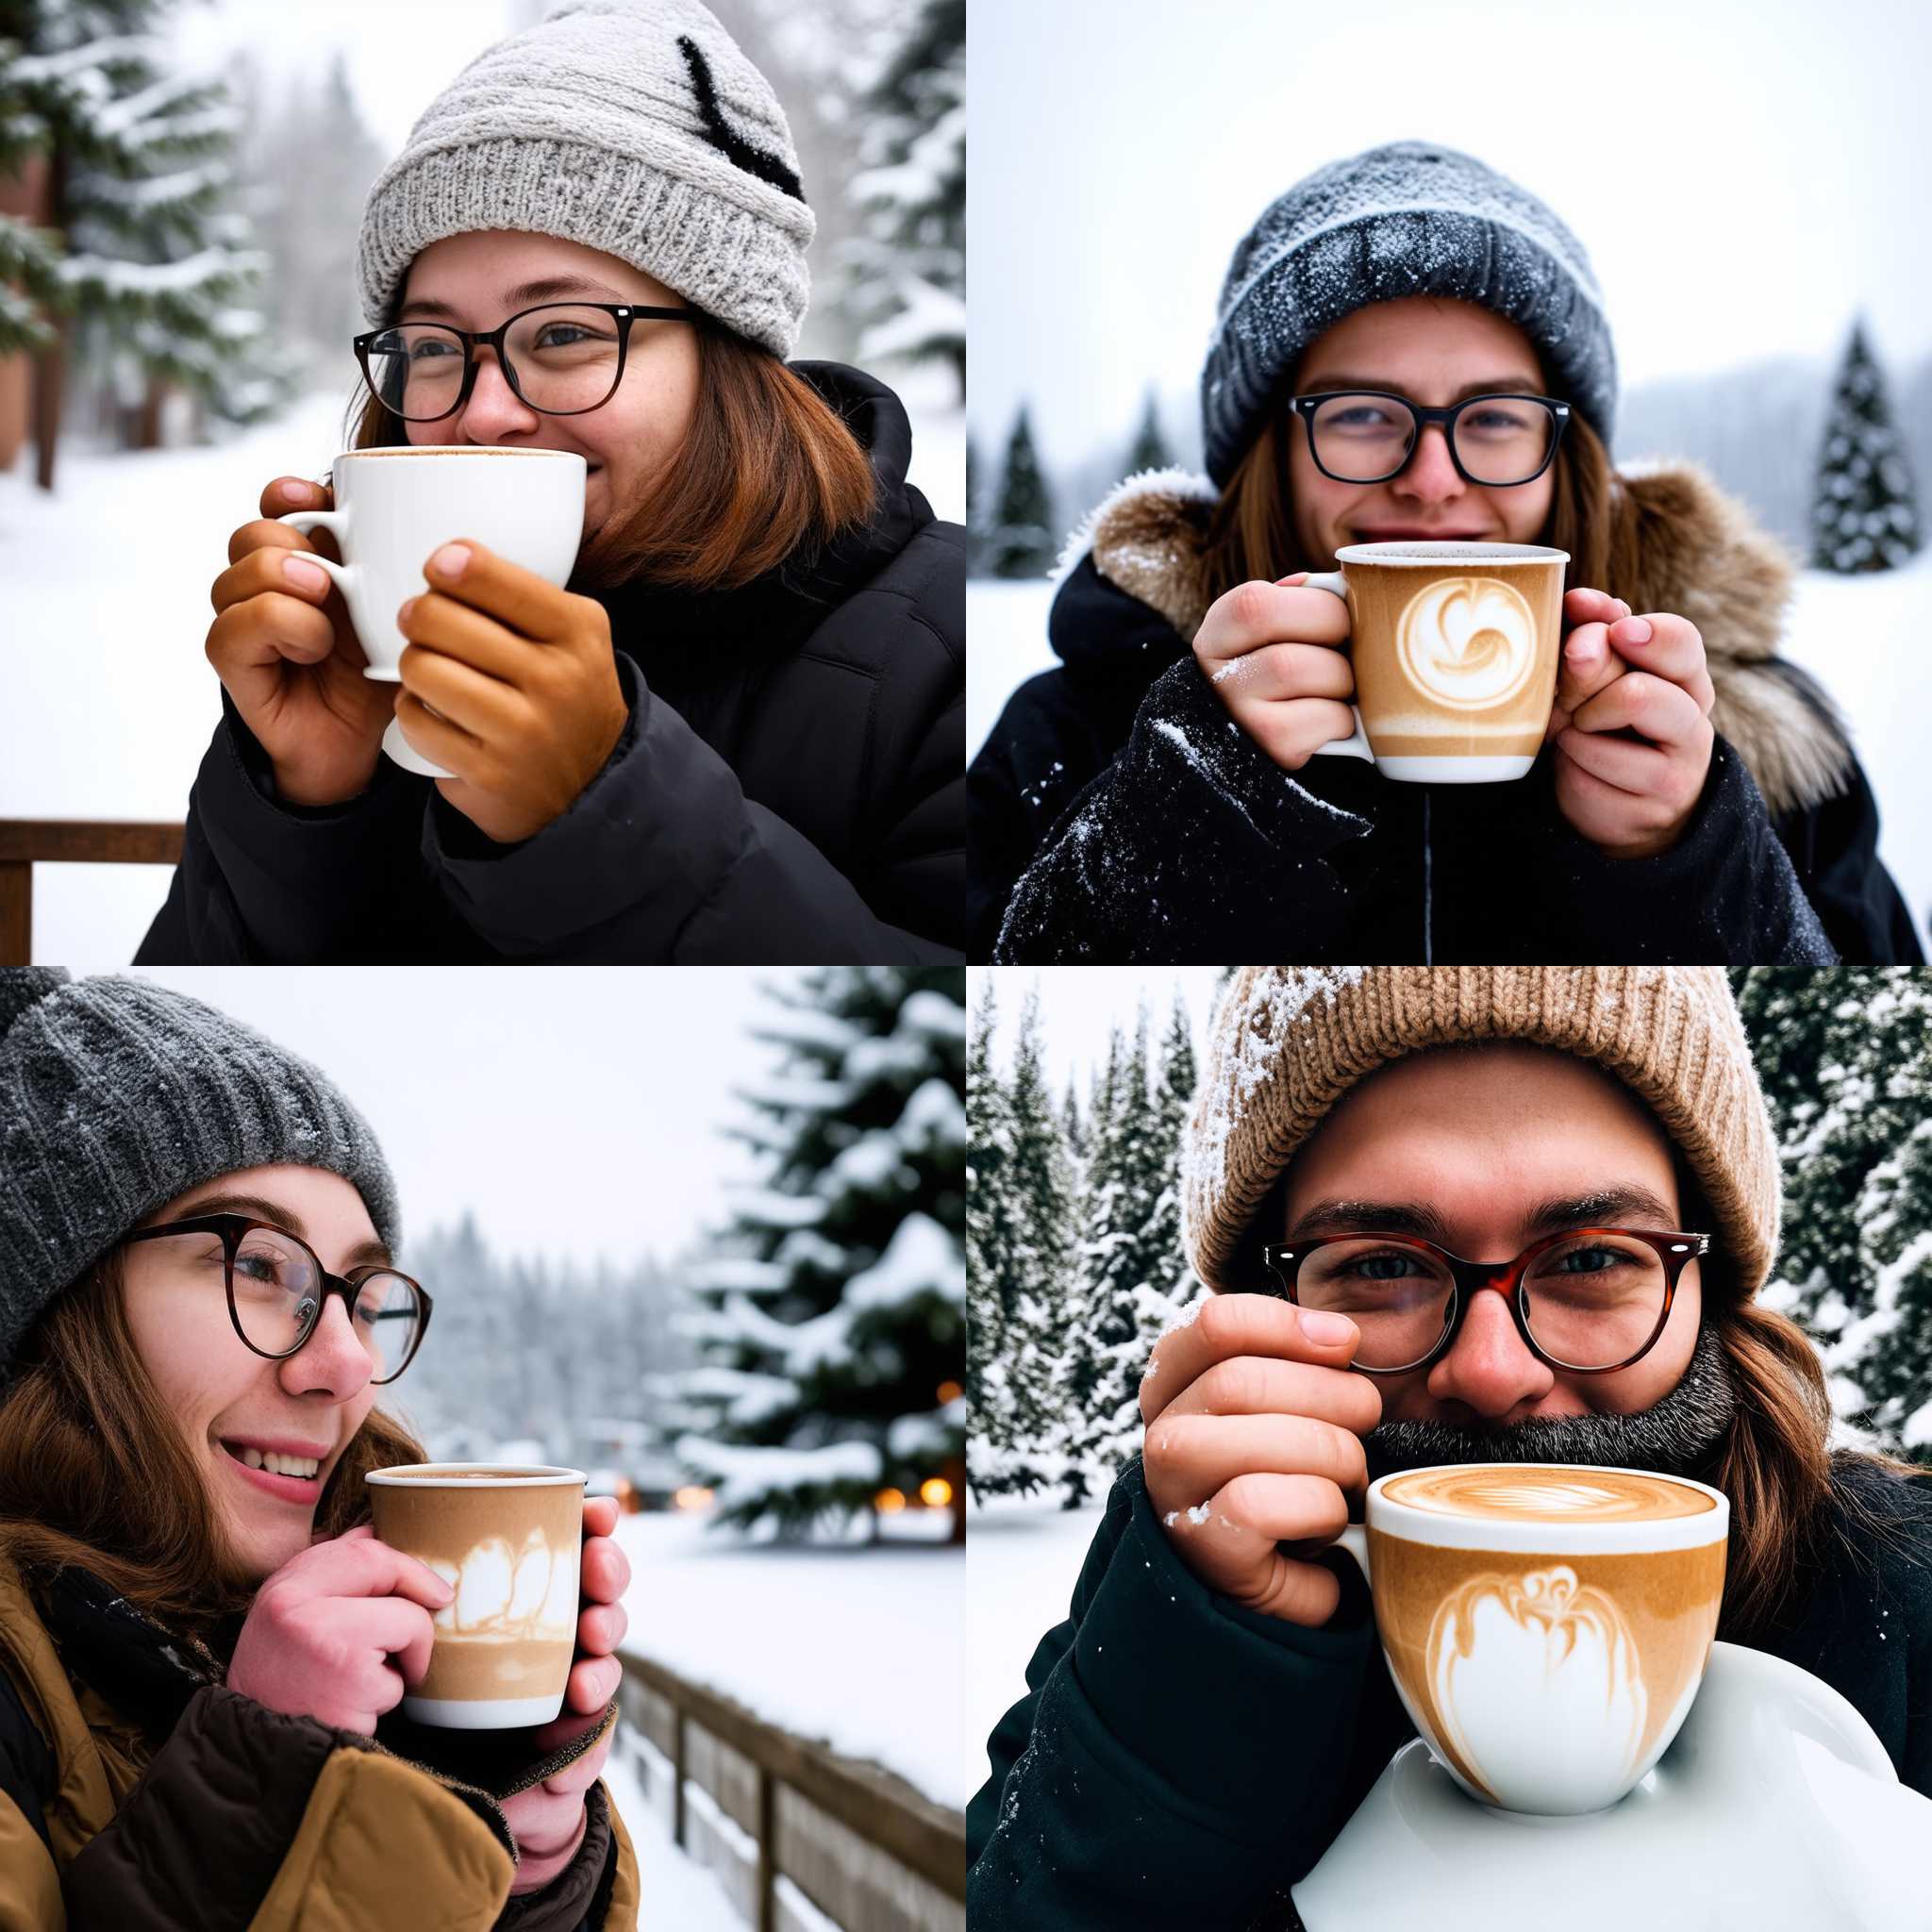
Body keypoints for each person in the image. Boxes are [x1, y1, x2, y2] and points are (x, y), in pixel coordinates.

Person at [968, 966, 1932, 1929]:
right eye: (1381, 1265)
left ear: (1702, 1284)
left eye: (1592, 1257)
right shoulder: (1179, 1577)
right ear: (1267, 1310)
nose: (1487, 1365)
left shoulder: (1895, 1575)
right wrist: (1199, 1664)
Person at [139, 0, 963, 966]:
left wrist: (602, 808)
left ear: (727, 353)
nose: (483, 414)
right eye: (436, 346)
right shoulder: (367, 658)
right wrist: (305, 805)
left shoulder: (942, 648)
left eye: (564, 333)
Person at [970, 142, 1918, 967]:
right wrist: (1180, 821)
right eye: (1361, 415)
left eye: (1494, 417)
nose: (1430, 479)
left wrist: (1688, 852)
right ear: (1270, 453)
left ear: (1568, 455)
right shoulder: (1080, 729)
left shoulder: (1755, 739)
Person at [0, 968, 639, 1928]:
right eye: (260, 1264)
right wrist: (264, 1783)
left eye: (366, 1296)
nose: (345, 1364)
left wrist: (511, 1847)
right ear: (56, 1305)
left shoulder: (373, 1641)